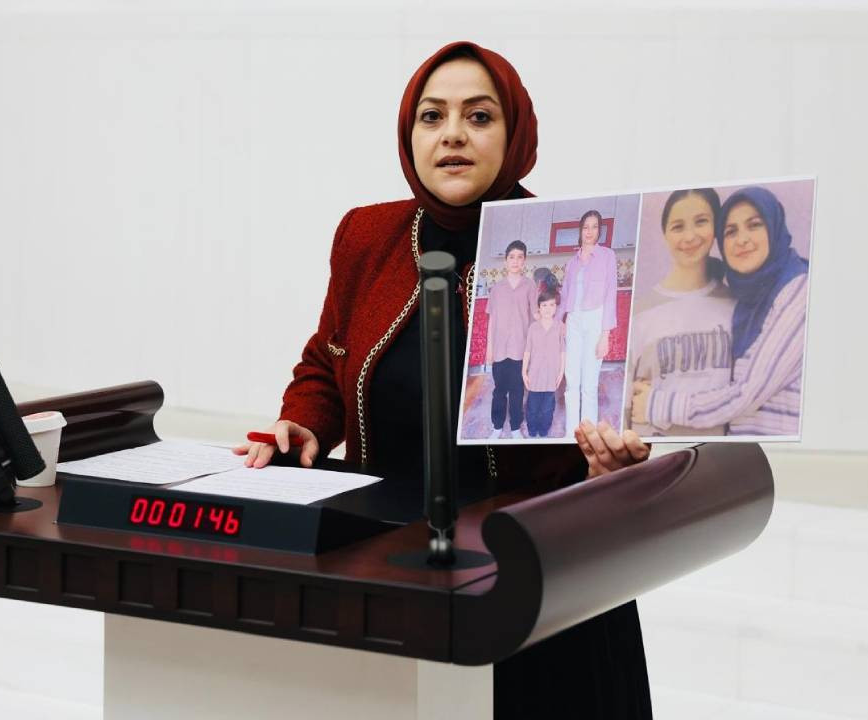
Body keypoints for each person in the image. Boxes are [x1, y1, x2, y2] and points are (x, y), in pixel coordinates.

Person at [232, 41, 653, 717]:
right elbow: (325, 361)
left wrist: (607, 466)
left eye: (479, 117)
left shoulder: (573, 247)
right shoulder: (367, 235)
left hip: (537, 583)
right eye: (432, 117)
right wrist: (303, 420)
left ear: (515, 134)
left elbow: (599, 388)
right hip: (391, 569)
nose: (452, 134)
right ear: (410, 136)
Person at [632, 186, 809, 436]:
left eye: (754, 225)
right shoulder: (747, 302)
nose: (742, 239)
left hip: (775, 455)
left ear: (774, 227)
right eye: (731, 231)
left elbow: (747, 392)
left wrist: (658, 405)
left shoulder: (798, 292)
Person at [626, 189, 735, 436]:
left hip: (717, 453)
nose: (689, 236)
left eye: (701, 221)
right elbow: (626, 409)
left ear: (716, 227)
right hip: (653, 453)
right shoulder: (641, 312)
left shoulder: (737, 306)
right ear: (665, 233)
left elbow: (744, 396)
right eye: (678, 227)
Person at [558, 210, 618, 428]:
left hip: (595, 320)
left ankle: (588, 430)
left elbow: (611, 294)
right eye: (586, 227)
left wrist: (605, 336)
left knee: (589, 384)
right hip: (573, 321)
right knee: (572, 382)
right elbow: (565, 295)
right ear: (580, 230)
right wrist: (561, 322)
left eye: (594, 227)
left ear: (599, 230)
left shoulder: (607, 256)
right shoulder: (572, 262)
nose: (590, 231)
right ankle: (571, 433)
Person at [485, 239, 537, 439]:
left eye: (520, 257)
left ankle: (515, 427)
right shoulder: (497, 289)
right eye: (512, 257)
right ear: (506, 260)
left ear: (524, 261)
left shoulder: (530, 286)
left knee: (517, 390)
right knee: (499, 390)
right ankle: (497, 426)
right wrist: (489, 348)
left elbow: (535, 317)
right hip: (499, 348)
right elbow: (492, 320)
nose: (515, 261)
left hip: (520, 348)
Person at [522, 289, 565, 438]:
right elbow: (527, 351)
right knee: (532, 407)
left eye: (552, 305)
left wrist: (561, 372)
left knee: (547, 408)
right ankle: (532, 429)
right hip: (534, 374)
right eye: (544, 305)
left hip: (552, 375)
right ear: (539, 308)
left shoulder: (559, 327)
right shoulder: (533, 328)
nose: (548, 309)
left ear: (556, 307)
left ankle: (544, 429)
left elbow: (562, 351)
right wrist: (524, 372)